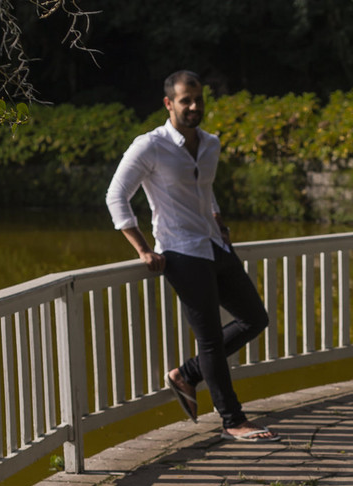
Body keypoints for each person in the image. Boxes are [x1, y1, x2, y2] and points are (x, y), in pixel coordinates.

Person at [105, 70, 279, 442]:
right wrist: (143, 249)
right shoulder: (149, 145)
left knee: (254, 317)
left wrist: (218, 219)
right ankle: (233, 421)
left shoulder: (210, 143)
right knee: (212, 340)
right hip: (181, 250)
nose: (194, 106)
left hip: (215, 244)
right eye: (186, 100)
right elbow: (115, 196)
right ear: (169, 103)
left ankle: (185, 374)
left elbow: (205, 189)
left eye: (198, 99)